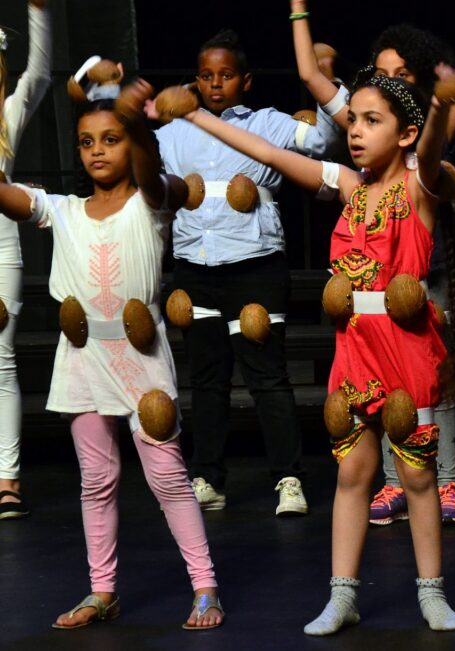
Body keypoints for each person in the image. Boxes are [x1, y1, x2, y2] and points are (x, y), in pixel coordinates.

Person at [176, 61, 455, 635]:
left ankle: (432, 594)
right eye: (352, 119)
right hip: (355, 350)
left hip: (407, 350)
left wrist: (438, 106)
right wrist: (196, 116)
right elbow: (268, 152)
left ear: (405, 133)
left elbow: (432, 149)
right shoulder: (351, 188)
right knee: (353, 473)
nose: (355, 130)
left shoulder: (419, 188)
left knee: (417, 478)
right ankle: (342, 596)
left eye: (372, 121)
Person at [0, 81, 223, 630]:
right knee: (96, 481)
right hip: (81, 358)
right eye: (86, 142)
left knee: (167, 477)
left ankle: (205, 586)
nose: (97, 150)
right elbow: (9, 197)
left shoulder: (150, 202)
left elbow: (154, 178)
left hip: (140, 355)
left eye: (111, 138)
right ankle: (103, 590)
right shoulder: (64, 210)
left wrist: (136, 123)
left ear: (133, 141)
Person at [288, 1, 455, 525]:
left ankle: (445, 478)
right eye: (381, 71)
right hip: (372, 272)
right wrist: (299, 9)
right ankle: (395, 481)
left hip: (419, 269)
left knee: (427, 378)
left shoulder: (425, 130)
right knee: (380, 380)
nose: (389, 80)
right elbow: (310, 76)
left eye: (401, 73)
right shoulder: (367, 122)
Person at [155, 28, 343, 515]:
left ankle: (288, 478)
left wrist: (324, 80)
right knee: (207, 380)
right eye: (206, 75)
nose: (215, 84)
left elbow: (323, 140)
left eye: (226, 75)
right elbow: (139, 159)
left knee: (267, 377)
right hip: (195, 264)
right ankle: (208, 477)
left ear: (246, 80)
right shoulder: (174, 131)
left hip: (256, 265)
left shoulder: (267, 123)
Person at [0, 0, 51, 522]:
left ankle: (7, 479)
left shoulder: (7, 117)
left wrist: (37, 11)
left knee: (1, 359)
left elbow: (38, 74)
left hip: (0, 250)